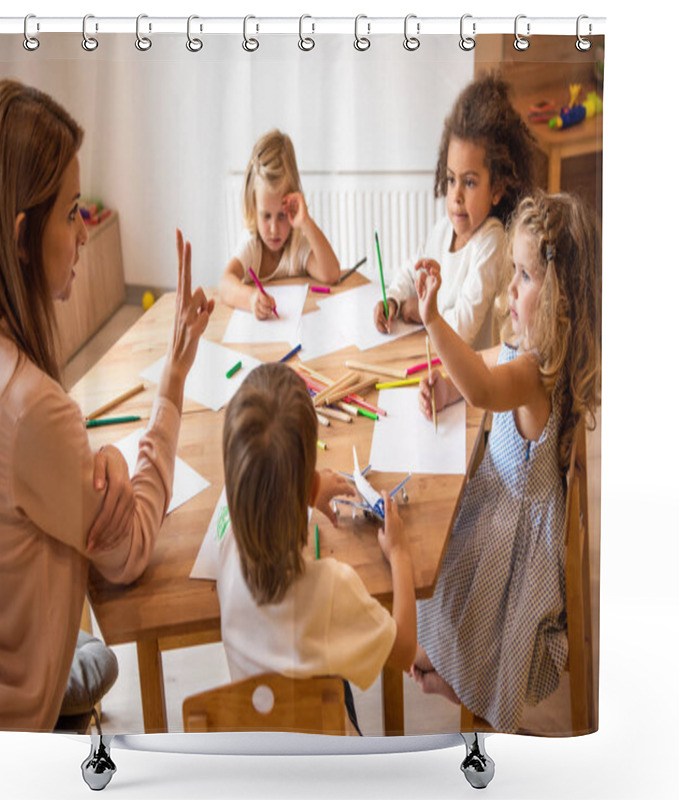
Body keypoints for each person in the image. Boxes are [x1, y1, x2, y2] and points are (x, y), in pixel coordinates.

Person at [0, 79, 214, 731]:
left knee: (94, 659)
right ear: (23, 234)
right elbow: (127, 551)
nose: (82, 232)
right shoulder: (30, 406)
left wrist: (99, 465)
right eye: (73, 212)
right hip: (6, 713)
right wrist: (172, 384)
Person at [411, 191, 602, 733]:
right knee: (438, 581)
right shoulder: (538, 350)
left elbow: (484, 387)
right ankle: (450, 665)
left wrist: (433, 322)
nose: (511, 290)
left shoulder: (534, 373)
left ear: (560, 296)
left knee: (435, 566)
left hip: (514, 538)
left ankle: (466, 683)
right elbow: (479, 369)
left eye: (523, 276)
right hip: (507, 508)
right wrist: (446, 388)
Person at [217, 363, 416, 733]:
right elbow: (404, 649)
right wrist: (401, 555)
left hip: (255, 761)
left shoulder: (227, 551)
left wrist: (306, 497)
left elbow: (266, 511)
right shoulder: (332, 589)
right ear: (309, 486)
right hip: (329, 773)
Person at [374, 72, 536, 351]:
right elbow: (409, 272)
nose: (457, 196)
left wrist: (424, 314)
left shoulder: (491, 242)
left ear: (496, 188)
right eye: (451, 179)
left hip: (477, 379)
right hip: (444, 363)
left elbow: (461, 330)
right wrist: (394, 301)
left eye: (470, 182)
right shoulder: (442, 231)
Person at [218, 130, 340, 318]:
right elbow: (225, 284)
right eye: (266, 216)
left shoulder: (296, 244)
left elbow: (331, 274)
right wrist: (251, 299)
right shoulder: (252, 244)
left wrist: (305, 222)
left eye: (282, 216)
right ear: (253, 206)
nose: (274, 229)